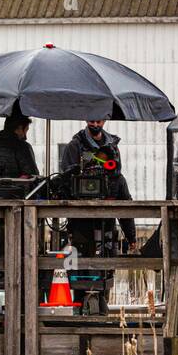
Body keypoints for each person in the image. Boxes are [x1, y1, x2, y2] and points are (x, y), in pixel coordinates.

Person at [59, 119, 137, 305]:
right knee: (78, 271)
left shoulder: (117, 178)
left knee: (105, 272)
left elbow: (125, 206)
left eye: (104, 160)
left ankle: (101, 309)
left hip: (106, 230)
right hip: (79, 227)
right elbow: (63, 181)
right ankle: (80, 310)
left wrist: (132, 238)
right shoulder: (74, 146)